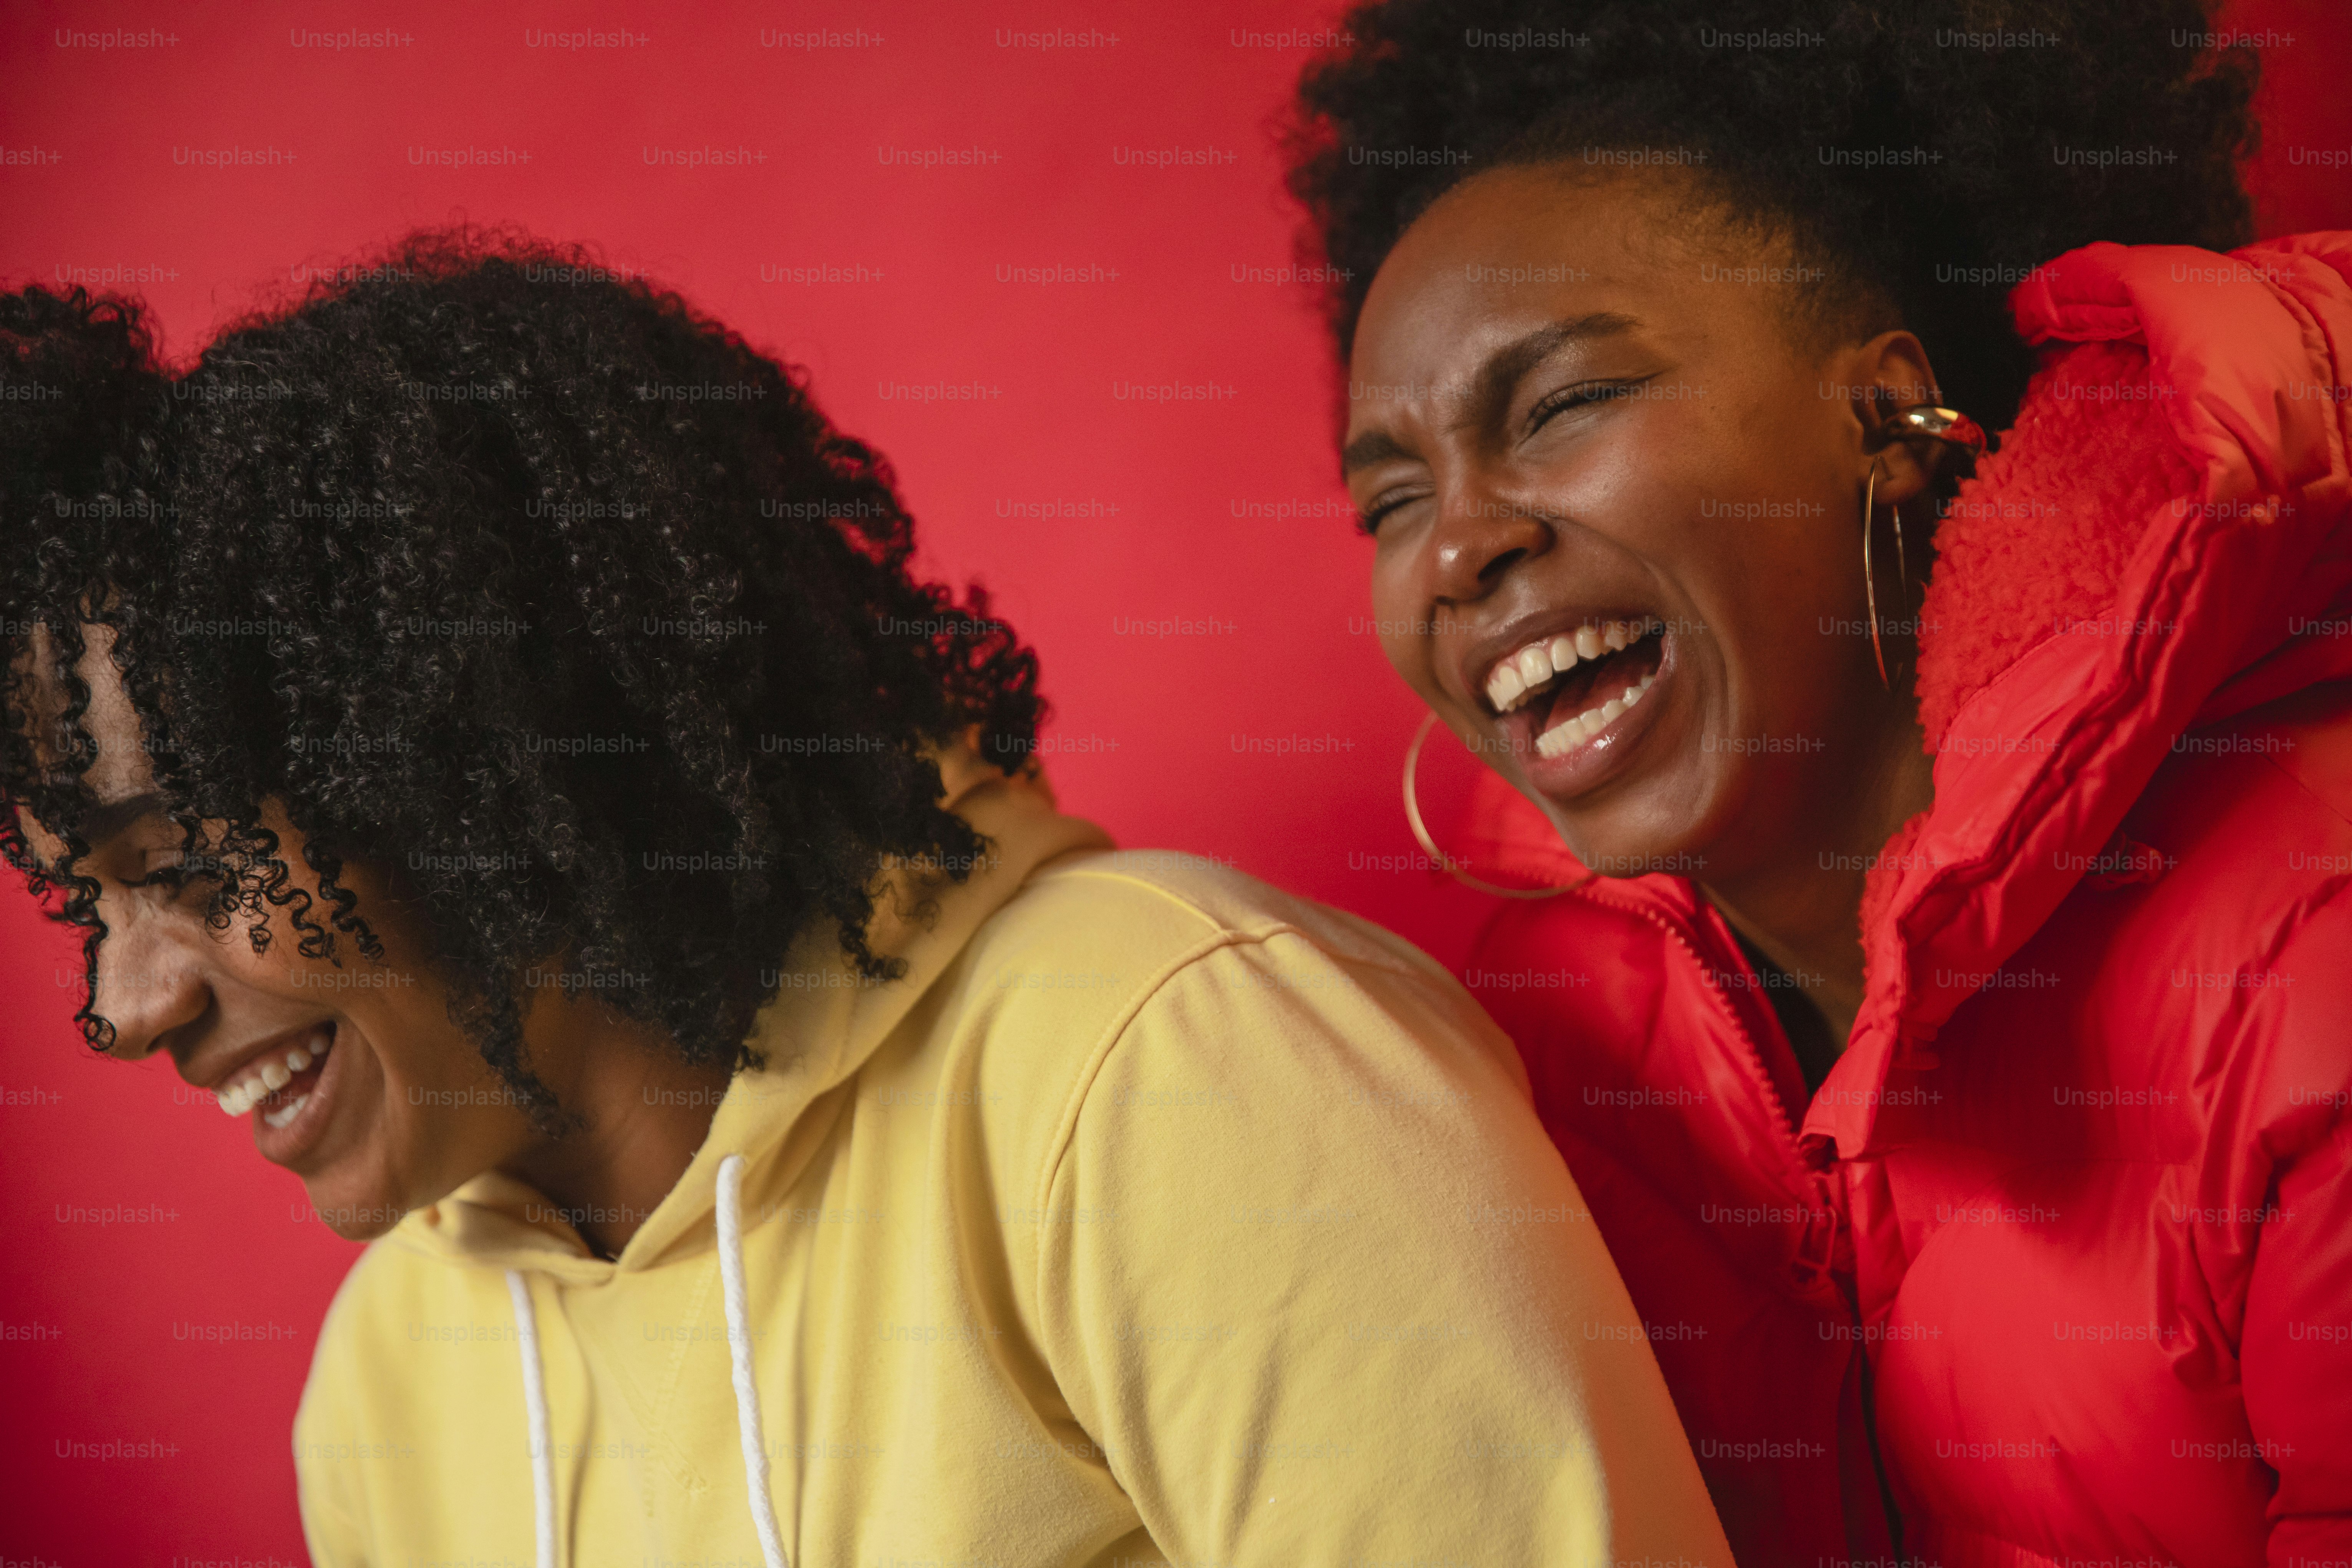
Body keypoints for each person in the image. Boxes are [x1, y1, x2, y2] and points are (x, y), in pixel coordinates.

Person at [0, 234, 1733, 1565]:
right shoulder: (393, 1377)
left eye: (184, 866)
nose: (132, 1000)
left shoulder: (1163, 1062)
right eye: (90, 906)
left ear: (473, 752)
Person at [1288, 2, 2352, 1563]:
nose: (1456, 547)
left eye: (1562, 405)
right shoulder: (1530, 1061)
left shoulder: (2305, 947)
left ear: (1886, 418)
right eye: (1392, 498)